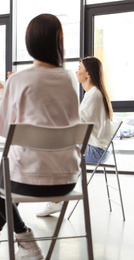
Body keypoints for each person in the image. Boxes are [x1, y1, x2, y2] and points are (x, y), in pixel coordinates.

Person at [0, 14, 81, 259]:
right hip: (68, 179)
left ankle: (27, 242)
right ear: (59, 41)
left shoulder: (19, 79)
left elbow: (3, 128)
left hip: (29, 180)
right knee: (8, 177)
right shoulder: (70, 78)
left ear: (30, 42)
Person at [37, 56, 113, 217]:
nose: (76, 71)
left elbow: (76, 123)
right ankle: (56, 198)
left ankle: (56, 200)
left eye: (79, 68)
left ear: (88, 74)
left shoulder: (93, 95)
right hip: (98, 148)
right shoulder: (94, 94)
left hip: (95, 151)